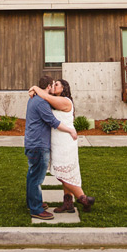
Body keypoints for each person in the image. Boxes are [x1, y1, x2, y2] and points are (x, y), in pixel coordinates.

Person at [29, 79, 95, 213]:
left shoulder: (65, 101)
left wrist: (35, 87)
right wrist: (33, 90)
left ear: (64, 88)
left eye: (57, 84)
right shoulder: (54, 100)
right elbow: (45, 97)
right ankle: (68, 204)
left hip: (65, 142)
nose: (54, 86)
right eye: (52, 84)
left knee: (61, 174)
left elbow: (45, 96)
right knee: (66, 173)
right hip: (57, 141)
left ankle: (83, 198)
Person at [24, 75, 78, 220]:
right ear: (48, 86)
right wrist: (71, 130)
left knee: (32, 175)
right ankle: (36, 209)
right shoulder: (41, 102)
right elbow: (53, 121)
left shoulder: (35, 98)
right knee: (37, 178)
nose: (53, 87)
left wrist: (33, 89)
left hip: (32, 143)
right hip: (38, 145)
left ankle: (33, 202)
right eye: (53, 85)